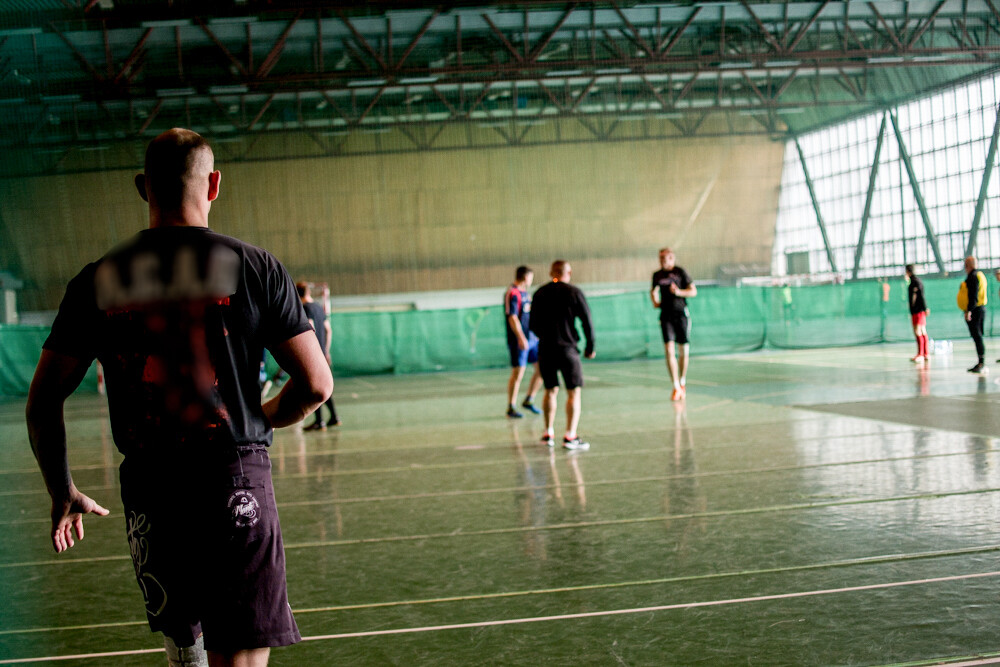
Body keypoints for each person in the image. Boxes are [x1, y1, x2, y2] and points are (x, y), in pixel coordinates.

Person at [25, 128, 333, 667]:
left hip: (150, 485)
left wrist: (63, 489)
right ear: (213, 184)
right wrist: (255, 420)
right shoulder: (256, 267)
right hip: (233, 476)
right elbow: (316, 386)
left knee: (185, 654)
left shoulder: (99, 279)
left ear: (144, 188)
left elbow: (44, 399)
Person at [528, 260, 595, 450]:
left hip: (546, 349)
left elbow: (532, 324)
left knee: (550, 390)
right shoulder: (574, 292)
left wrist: (546, 335)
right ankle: (570, 436)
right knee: (573, 391)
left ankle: (547, 433)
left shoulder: (540, 293)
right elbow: (586, 320)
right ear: (569, 272)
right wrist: (590, 345)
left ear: (551, 272)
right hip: (567, 349)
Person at [651, 248, 698, 401]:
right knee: (669, 351)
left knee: (683, 351)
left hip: (681, 315)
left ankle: (682, 381)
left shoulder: (680, 272)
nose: (662, 261)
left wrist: (678, 292)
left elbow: (693, 292)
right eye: (660, 259)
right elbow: (653, 292)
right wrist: (655, 301)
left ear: (671, 258)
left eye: (665, 258)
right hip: (666, 316)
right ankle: (676, 386)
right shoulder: (657, 275)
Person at [299, 281, 340, 430]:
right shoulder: (317, 307)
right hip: (322, 351)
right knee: (323, 385)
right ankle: (333, 417)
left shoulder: (305, 308)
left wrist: (309, 351)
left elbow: (310, 328)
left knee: (313, 386)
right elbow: (328, 330)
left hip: (313, 352)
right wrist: (326, 350)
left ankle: (319, 421)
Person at [504, 266, 542, 418]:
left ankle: (529, 399)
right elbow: (512, 317)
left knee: (541, 370)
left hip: (533, 339)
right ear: (526, 277)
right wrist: (521, 337)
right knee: (518, 373)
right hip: (520, 341)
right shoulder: (512, 293)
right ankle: (511, 406)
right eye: (531, 277)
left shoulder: (526, 293)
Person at [959, 256, 988, 374]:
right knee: (977, 337)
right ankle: (980, 362)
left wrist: (969, 310)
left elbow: (973, 295)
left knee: (977, 336)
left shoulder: (973, 277)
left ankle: (981, 363)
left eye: (966, 265)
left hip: (975, 310)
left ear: (969, 265)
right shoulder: (979, 275)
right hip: (979, 309)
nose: (965, 268)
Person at [905, 264, 929, 363]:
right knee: (922, 331)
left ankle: (921, 354)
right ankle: (925, 354)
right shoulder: (915, 281)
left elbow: (921, 296)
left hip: (918, 311)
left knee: (918, 331)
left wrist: (924, 308)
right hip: (918, 310)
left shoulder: (915, 282)